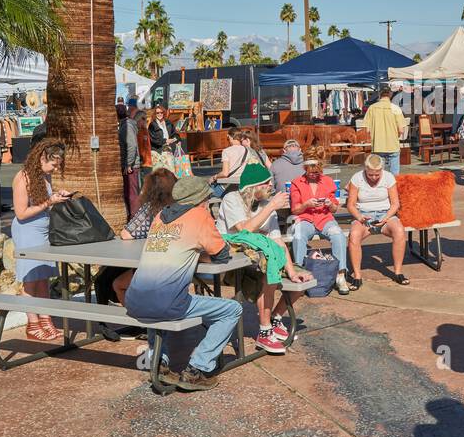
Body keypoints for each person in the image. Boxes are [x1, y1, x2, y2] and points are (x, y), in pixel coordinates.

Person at [123, 175, 245, 390]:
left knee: (157, 302)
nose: (208, 203)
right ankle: (198, 368)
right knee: (232, 309)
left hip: (133, 300)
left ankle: (159, 363)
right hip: (166, 303)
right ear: (200, 200)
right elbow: (222, 255)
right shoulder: (199, 216)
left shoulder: (160, 216)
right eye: (207, 199)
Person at [217, 163, 312, 354]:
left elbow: (277, 241)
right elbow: (244, 230)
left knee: (304, 277)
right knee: (267, 271)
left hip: (262, 257)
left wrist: (292, 272)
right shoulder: (231, 199)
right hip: (230, 261)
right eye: (267, 183)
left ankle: (276, 317)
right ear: (254, 186)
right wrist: (271, 207)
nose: (271, 186)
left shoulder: (267, 205)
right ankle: (264, 331)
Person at [93, 168, 177, 334]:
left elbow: (126, 234)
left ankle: (140, 322)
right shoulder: (180, 207)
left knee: (110, 281)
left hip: (152, 267)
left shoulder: (151, 208)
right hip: (175, 266)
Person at [11, 140, 72, 342]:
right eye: (53, 164)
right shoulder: (23, 178)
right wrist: (49, 201)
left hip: (42, 231)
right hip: (28, 232)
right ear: (42, 158)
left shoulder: (43, 177)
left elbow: (42, 202)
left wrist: (56, 196)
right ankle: (33, 323)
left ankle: (45, 319)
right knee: (30, 280)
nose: (55, 169)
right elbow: (21, 213)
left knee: (43, 277)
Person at [289, 152, 351, 294]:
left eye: (316, 172)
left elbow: (335, 209)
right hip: (305, 218)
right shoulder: (296, 183)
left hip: (325, 218)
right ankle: (300, 273)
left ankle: (340, 275)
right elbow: (295, 209)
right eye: (310, 172)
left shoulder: (328, 181)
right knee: (298, 235)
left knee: (338, 235)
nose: (313, 175)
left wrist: (330, 204)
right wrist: (306, 204)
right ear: (305, 169)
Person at [347, 153, 410, 289]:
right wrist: (359, 217)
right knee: (354, 235)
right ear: (365, 170)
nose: (374, 177)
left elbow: (395, 204)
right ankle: (357, 276)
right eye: (371, 175)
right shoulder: (357, 178)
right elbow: (351, 204)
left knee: (399, 231)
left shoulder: (388, 177)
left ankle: (398, 272)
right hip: (364, 215)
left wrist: (385, 218)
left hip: (384, 214)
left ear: (382, 170)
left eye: (377, 174)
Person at [364, 85, 407, 175]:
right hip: (393, 145)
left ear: (379, 94)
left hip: (378, 146)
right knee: (394, 176)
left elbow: (366, 130)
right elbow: (402, 130)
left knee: (379, 175)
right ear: (390, 94)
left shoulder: (372, 108)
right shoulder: (396, 108)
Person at [118, 102, 141, 217]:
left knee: (132, 194)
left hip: (131, 166)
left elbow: (132, 146)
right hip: (129, 164)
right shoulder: (125, 125)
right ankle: (132, 217)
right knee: (129, 193)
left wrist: (128, 164)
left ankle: (135, 219)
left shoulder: (126, 126)